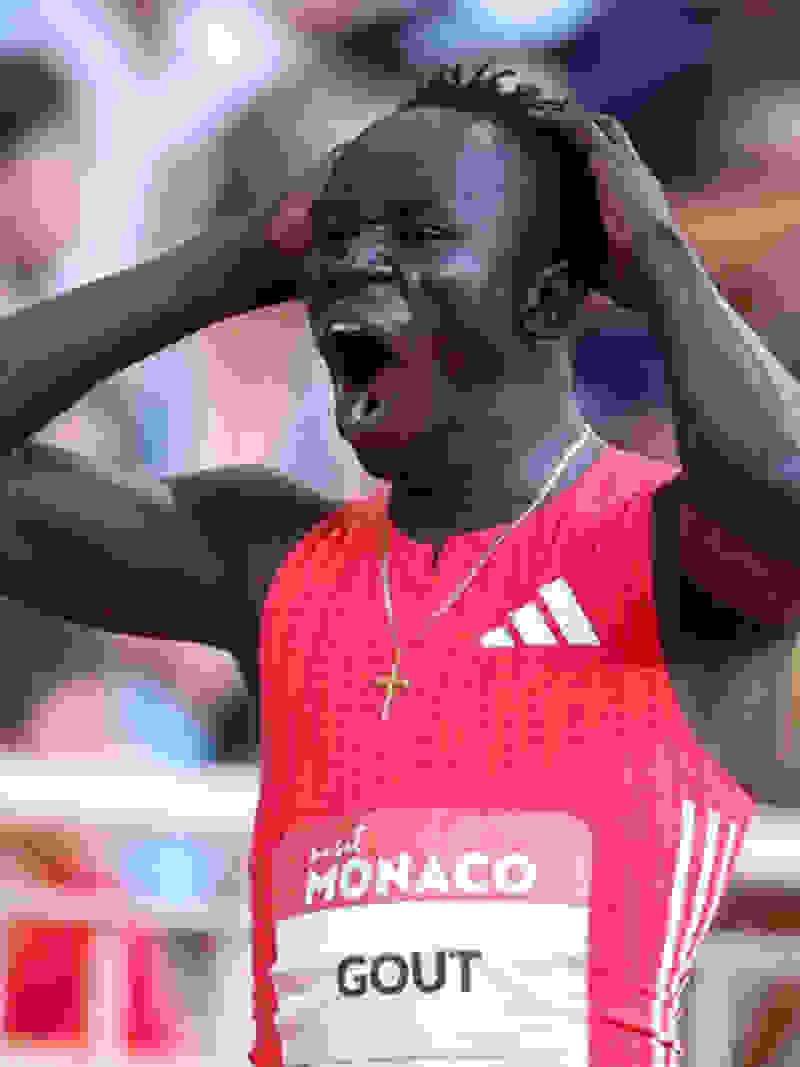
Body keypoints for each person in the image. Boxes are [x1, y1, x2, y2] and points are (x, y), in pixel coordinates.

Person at [2, 59, 800, 1065]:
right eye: (336, 241)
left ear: (550, 297)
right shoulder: (267, 558)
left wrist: (655, 254)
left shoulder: (674, 551)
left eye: (419, 235)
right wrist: (236, 259)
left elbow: (784, 487)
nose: (359, 264)